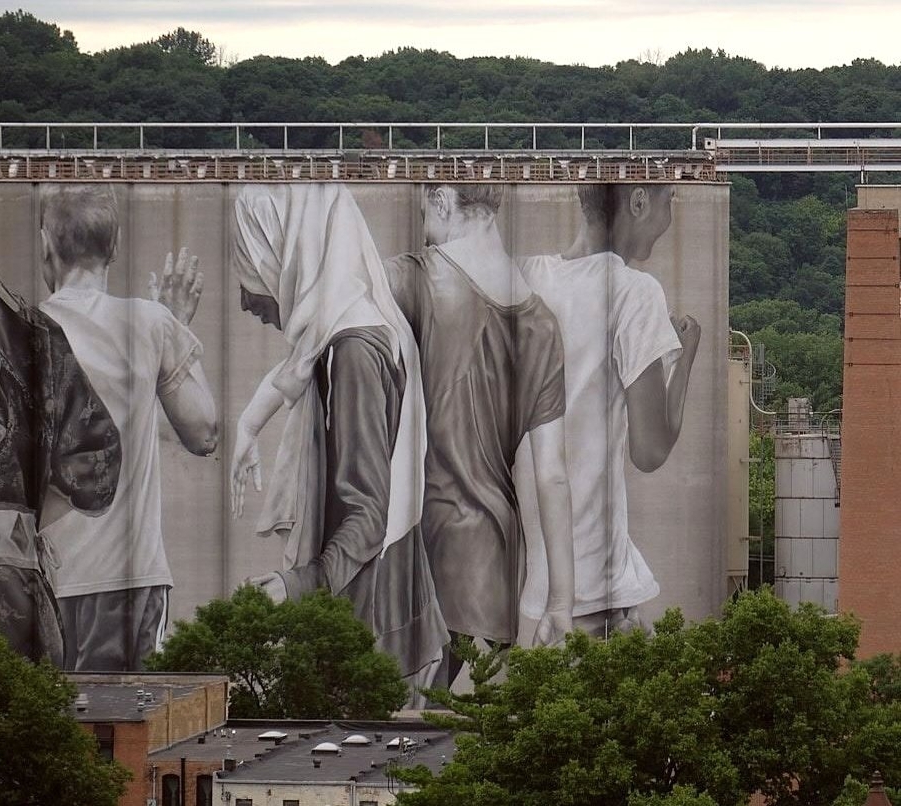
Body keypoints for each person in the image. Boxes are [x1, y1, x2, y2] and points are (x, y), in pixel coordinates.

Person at [230, 183, 449, 694]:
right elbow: (291, 373)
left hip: (375, 637)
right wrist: (247, 427)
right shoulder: (351, 333)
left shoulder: (353, 353)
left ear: (291, 253)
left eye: (250, 260)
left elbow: (369, 514)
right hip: (384, 624)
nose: (244, 298)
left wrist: (296, 585)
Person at [381, 184, 574, 658]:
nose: (426, 234)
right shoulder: (542, 324)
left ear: (443, 200)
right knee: (471, 724)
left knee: (394, 720)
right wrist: (561, 602)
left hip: (424, 543)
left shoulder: (413, 279)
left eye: (427, 215)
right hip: (497, 561)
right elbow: (552, 475)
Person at [36, 186, 219, 672]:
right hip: (131, 579)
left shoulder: (25, 328)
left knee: (43, 732)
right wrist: (177, 326)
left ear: (46, 245)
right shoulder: (150, 323)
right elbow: (203, 433)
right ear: (114, 248)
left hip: (44, 578)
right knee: (129, 733)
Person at [0, 183, 122, 665]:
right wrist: (29, 523)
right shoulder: (32, 321)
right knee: (30, 723)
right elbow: (98, 449)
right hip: (27, 574)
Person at [518, 183, 701, 637]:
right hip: (594, 577)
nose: (668, 218)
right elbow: (650, 451)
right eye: (668, 201)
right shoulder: (633, 292)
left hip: (527, 572)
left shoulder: (526, 276)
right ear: (638, 202)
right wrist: (686, 356)